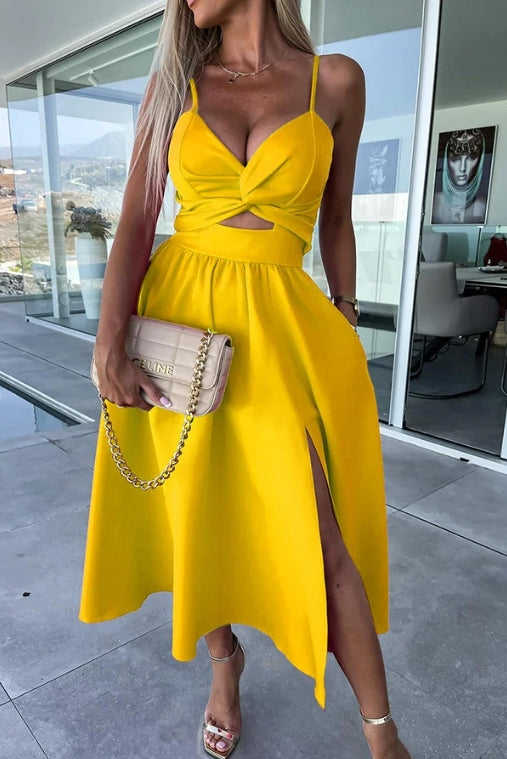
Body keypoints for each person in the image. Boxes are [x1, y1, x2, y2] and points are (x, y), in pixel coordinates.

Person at [79, 1, 411, 757]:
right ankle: (224, 664)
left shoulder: (336, 82)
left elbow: (336, 218)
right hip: (180, 321)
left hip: (284, 329)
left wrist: (345, 316)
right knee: (198, 512)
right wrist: (107, 341)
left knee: (321, 533)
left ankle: (382, 734)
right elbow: (136, 217)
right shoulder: (175, 82)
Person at [431, 128, 488, 224]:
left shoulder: (482, 205)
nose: (462, 168)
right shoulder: (434, 202)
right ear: (447, 161)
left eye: (471, 158)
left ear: (479, 161)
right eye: (455, 158)